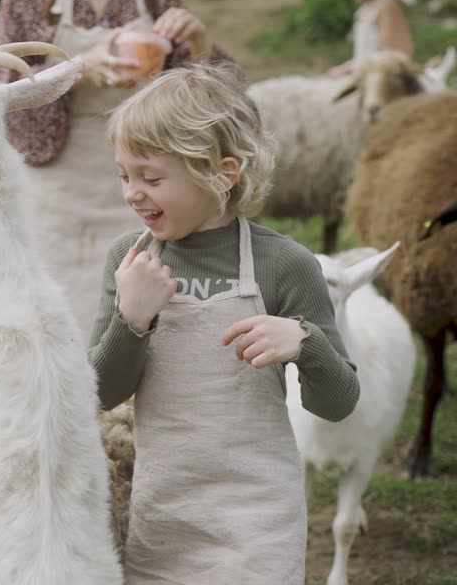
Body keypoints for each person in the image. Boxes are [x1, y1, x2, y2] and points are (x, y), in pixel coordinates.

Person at [89, 64, 361, 584]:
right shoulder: (130, 260)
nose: (132, 193)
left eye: (151, 177)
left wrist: (306, 343)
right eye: (124, 174)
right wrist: (132, 318)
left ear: (223, 172)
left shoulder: (284, 264)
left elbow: (339, 403)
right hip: (162, 514)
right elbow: (101, 392)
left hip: (258, 520)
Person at [0, 0, 237, 335]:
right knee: (49, 332)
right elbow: (3, 90)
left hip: (143, 199)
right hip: (52, 198)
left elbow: (219, 101)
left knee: (125, 334)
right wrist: (78, 70)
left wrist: (200, 43)